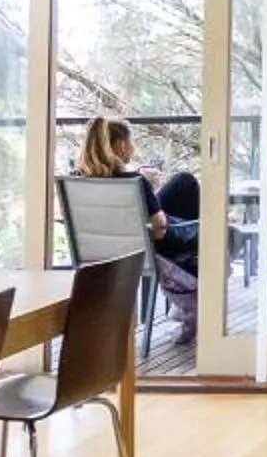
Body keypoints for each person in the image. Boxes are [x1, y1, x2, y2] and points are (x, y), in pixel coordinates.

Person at [78, 117, 201, 337]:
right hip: (145, 247)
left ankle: (183, 301)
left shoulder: (79, 181)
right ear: (121, 146)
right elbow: (160, 228)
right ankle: (187, 296)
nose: (132, 148)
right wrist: (149, 191)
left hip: (102, 250)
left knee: (182, 185)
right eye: (130, 142)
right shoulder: (134, 181)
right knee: (185, 183)